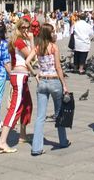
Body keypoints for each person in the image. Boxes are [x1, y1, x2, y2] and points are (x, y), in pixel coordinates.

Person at [26, 23, 70, 156]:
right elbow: (58, 67)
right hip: (54, 81)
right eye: (52, 32)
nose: (54, 34)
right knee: (59, 114)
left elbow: (27, 62)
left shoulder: (38, 48)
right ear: (48, 34)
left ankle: (36, 148)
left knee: (40, 117)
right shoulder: (53, 47)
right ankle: (63, 141)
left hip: (42, 82)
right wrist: (64, 85)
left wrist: (35, 74)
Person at [0, 21, 32, 153]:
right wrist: (32, 40)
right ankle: (2, 141)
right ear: (18, 28)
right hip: (20, 76)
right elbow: (31, 57)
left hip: (20, 75)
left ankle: (22, 135)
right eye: (23, 27)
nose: (26, 30)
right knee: (15, 108)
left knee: (27, 105)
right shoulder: (19, 42)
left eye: (28, 28)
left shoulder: (15, 41)